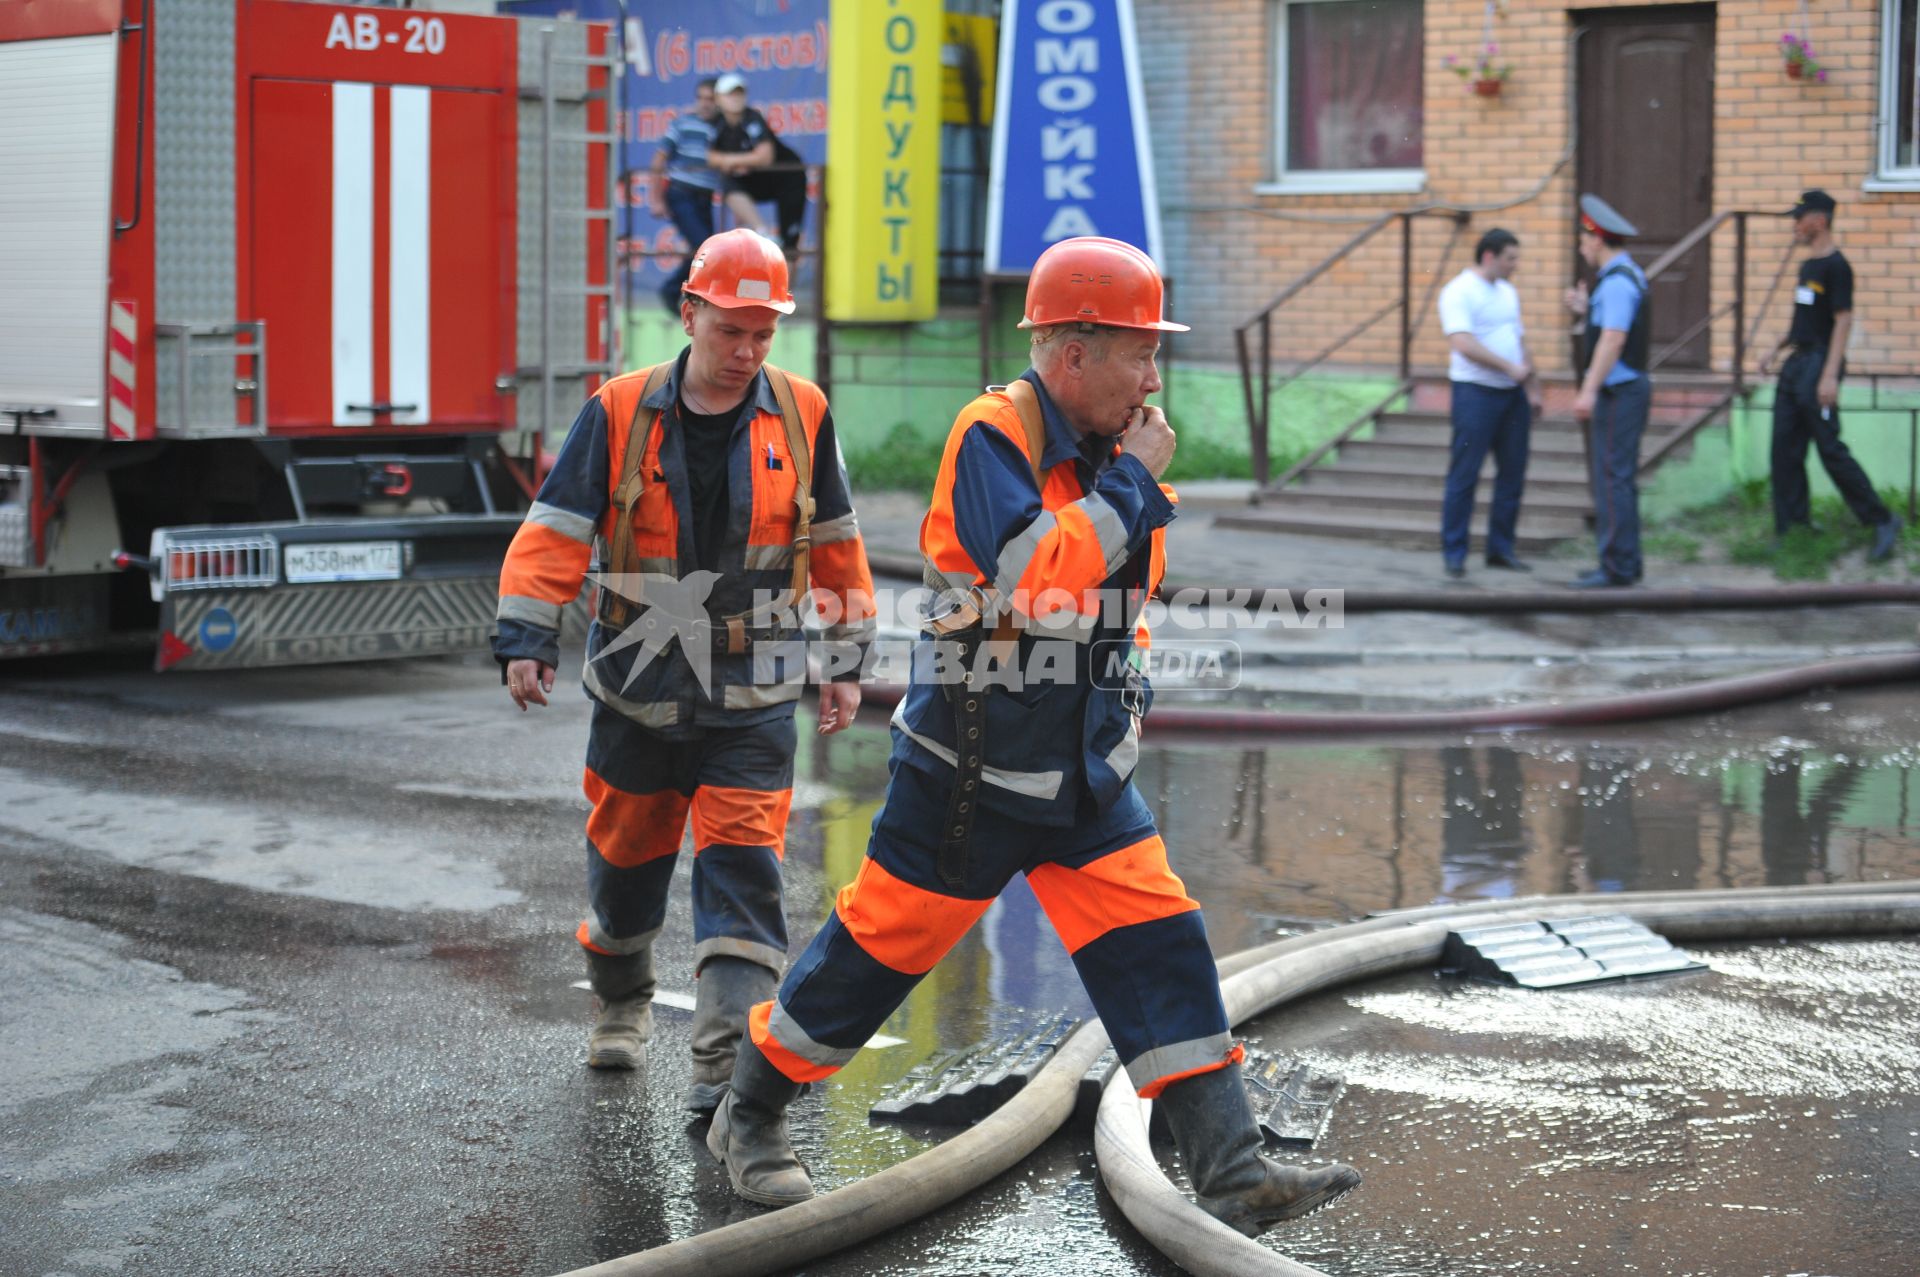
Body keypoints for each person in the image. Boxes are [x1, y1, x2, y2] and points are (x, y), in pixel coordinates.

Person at [704, 236, 1363, 1236]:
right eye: (1139, 353)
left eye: (1154, 354)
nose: (1153, 378)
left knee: (1162, 942)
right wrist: (1133, 485)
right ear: (1074, 353)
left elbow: (1119, 603)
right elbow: (1041, 585)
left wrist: (1126, 696)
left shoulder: (1109, 451)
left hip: (1082, 779)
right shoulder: (994, 437)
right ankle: (747, 1115)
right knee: (875, 952)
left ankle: (1231, 1168)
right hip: (969, 778)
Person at [493, 229, 876, 1114]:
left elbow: (838, 544)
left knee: (745, 869)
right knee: (625, 865)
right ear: (690, 312)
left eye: (763, 334)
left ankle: (722, 1078)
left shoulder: (802, 411)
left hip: (755, 687)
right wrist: (526, 635)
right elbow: (556, 527)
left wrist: (848, 659)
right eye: (730, 330)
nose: (746, 352)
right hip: (639, 681)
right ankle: (622, 1002)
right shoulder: (621, 410)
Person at [1758, 189, 1902, 560]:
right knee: (1784, 451)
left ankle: (1882, 520)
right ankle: (1793, 527)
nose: (1795, 225)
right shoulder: (1807, 267)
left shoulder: (1838, 266)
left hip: (1820, 365)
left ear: (1818, 221)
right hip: (1796, 364)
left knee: (1830, 450)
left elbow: (1843, 320)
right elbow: (1802, 320)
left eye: (1799, 218)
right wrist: (1775, 348)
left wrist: (1829, 375)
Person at [1436, 228, 1543, 578]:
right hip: (1475, 395)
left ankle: (1501, 549)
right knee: (1465, 474)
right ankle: (1455, 553)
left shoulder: (1507, 292)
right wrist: (1508, 368)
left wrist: (1533, 386)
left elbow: (1519, 339)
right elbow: (1462, 343)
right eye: (1510, 258)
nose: (1516, 265)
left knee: (1512, 473)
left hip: (1512, 396)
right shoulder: (1459, 291)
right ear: (1489, 256)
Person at [1563, 194, 1650, 589]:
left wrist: (1588, 390)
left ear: (1596, 240)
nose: (1582, 247)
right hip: (1625, 391)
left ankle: (1616, 568)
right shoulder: (1623, 276)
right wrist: (1586, 308)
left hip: (1619, 393)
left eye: (1584, 239)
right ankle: (1624, 562)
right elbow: (1608, 325)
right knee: (1617, 478)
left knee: (1613, 479)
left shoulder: (1616, 283)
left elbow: (1613, 339)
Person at [708, 73, 809, 253]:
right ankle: (763, 233)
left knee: (789, 242)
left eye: (739, 93)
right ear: (718, 99)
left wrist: (730, 160)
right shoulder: (717, 124)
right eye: (730, 94)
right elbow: (711, 157)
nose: (735, 98)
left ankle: (787, 280)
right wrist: (737, 162)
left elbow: (765, 156)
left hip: (788, 177)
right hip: (759, 179)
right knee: (728, 185)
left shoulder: (752, 118)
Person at [649, 78, 724, 316]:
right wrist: (656, 198)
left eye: (710, 99)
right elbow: (659, 160)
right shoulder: (682, 124)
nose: (705, 104)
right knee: (704, 248)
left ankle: (687, 293)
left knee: (706, 249)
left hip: (705, 198)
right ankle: (673, 290)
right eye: (701, 98)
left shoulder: (723, 127)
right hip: (681, 193)